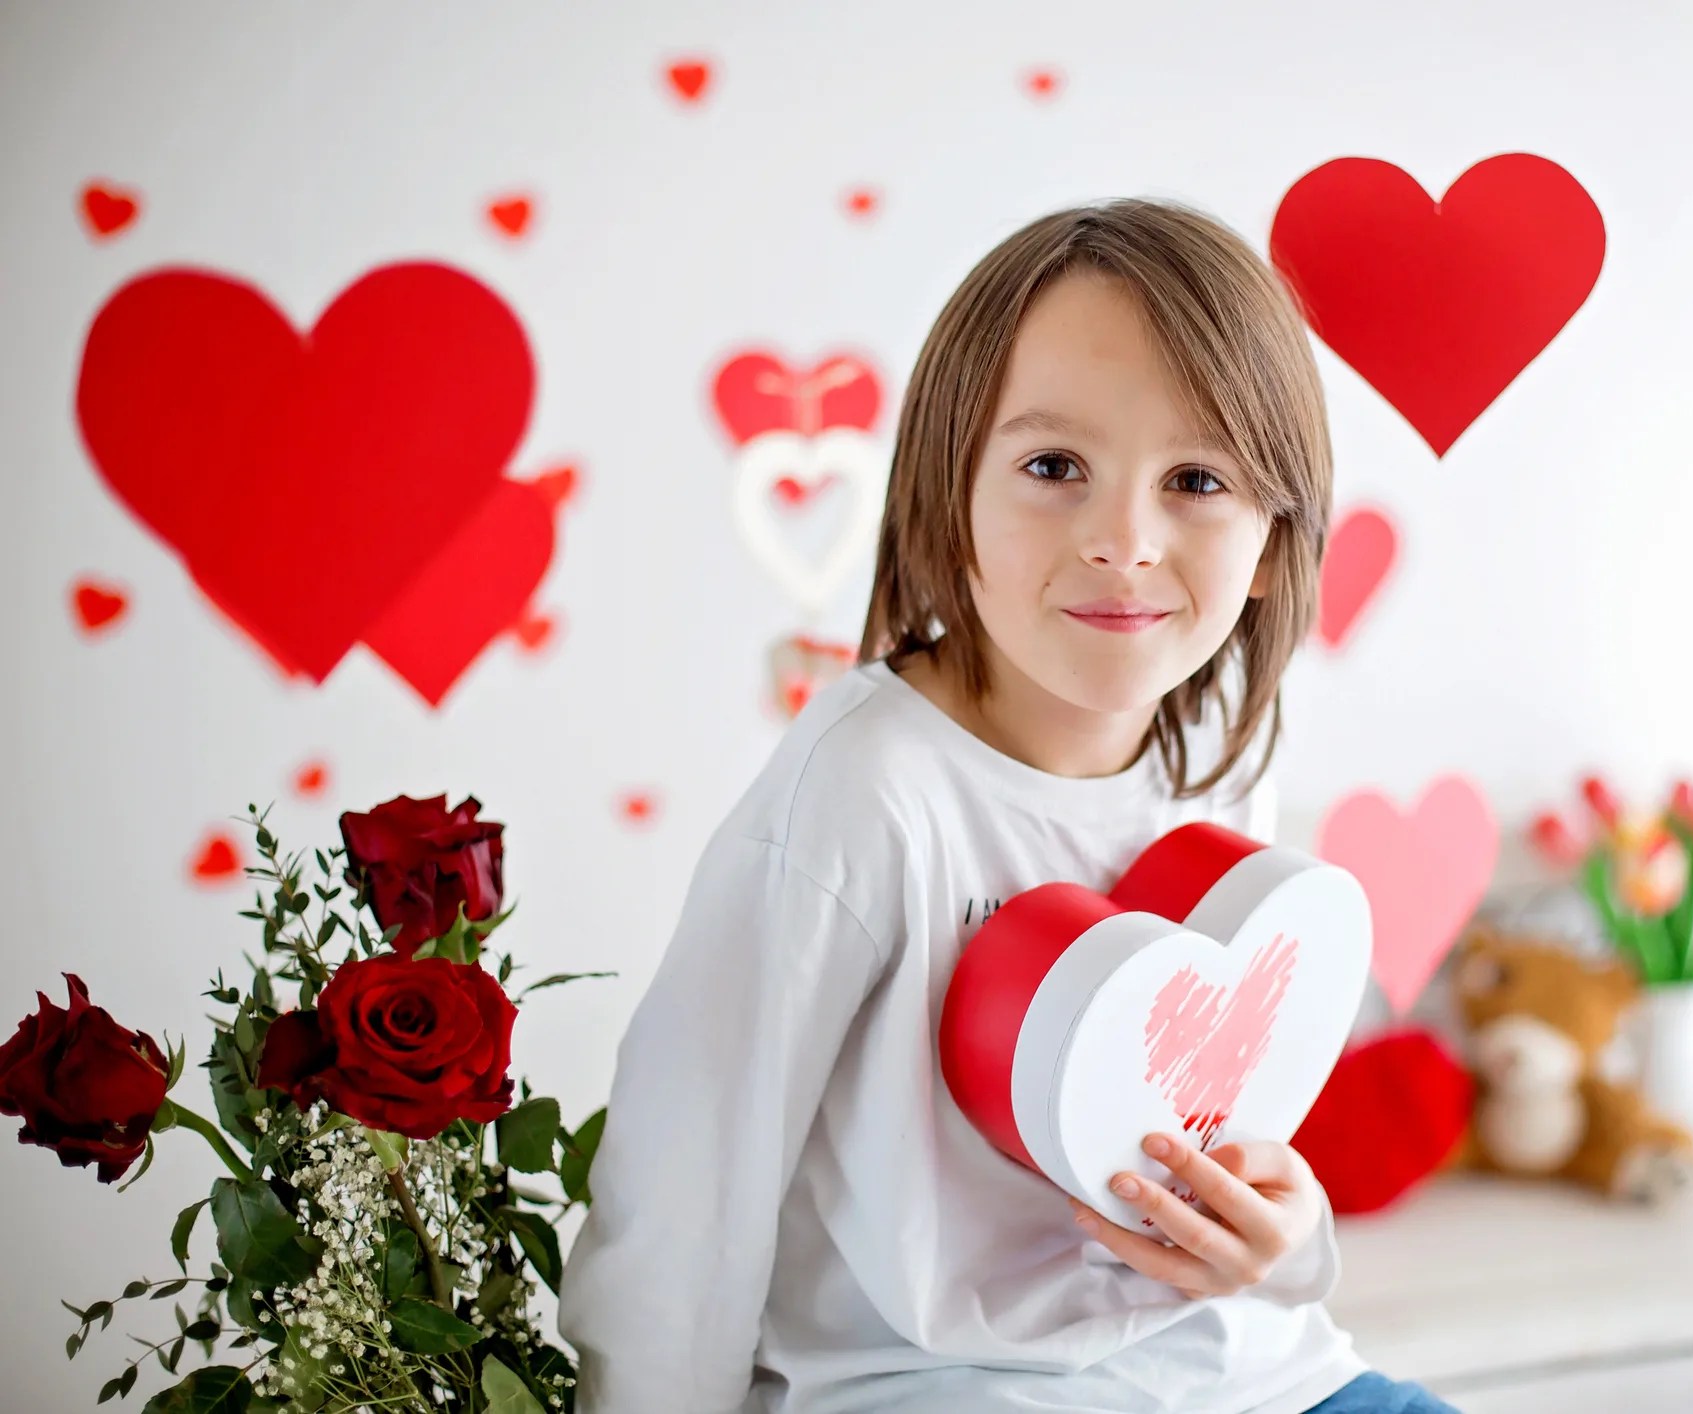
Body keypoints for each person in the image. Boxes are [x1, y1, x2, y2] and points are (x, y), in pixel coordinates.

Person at [557, 197, 1459, 1414]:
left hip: (1244, 1375)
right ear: (949, 484)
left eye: (1196, 479)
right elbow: (688, 1181)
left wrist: (1286, 1240)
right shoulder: (870, 792)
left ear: (1274, 528)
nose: (1124, 540)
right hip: (939, 1384)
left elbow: (1207, 1119)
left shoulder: (1221, 754)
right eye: (1054, 468)